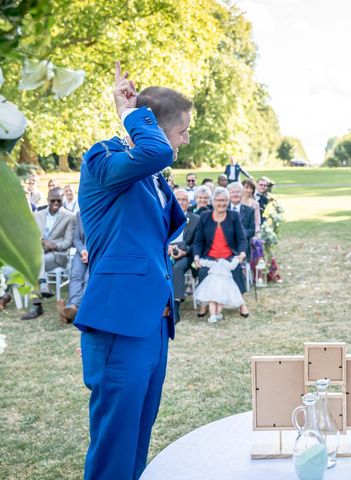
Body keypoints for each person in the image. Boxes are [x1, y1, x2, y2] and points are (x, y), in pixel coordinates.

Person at [75, 63, 191, 479]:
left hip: (154, 325)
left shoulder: (149, 174)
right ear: (154, 128)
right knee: (115, 441)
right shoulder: (103, 157)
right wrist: (129, 114)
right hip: (119, 324)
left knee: (140, 432)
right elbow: (157, 150)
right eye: (182, 130)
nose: (186, 139)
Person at [193, 187, 250, 318]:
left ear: (228, 201)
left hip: (229, 255)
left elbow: (241, 238)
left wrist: (241, 252)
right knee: (203, 272)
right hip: (210, 256)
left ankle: (241, 303)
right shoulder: (205, 217)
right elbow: (198, 241)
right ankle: (204, 304)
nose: (221, 204)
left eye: (224, 200)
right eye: (218, 200)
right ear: (213, 202)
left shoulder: (233, 216)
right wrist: (196, 256)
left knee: (234, 271)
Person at [22, 187, 76, 320]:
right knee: (35, 260)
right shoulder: (37, 215)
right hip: (40, 252)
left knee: (32, 263)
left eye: (59, 200)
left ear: (62, 199)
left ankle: (37, 305)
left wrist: (54, 245)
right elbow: (31, 237)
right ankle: (42, 286)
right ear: (47, 200)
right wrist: (40, 243)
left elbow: (68, 242)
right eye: (52, 200)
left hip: (58, 256)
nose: (55, 203)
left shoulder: (70, 217)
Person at [169, 188, 200, 322]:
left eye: (184, 200)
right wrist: (167, 248)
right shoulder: (166, 217)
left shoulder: (196, 219)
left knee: (176, 269)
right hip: (167, 253)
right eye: (178, 199)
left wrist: (185, 251)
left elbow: (198, 242)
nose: (181, 202)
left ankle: (175, 307)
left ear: (189, 202)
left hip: (186, 256)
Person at [57, 211, 88, 324]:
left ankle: (77, 310)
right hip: (81, 252)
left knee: (87, 279)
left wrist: (88, 251)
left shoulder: (102, 211)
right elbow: (76, 238)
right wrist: (83, 251)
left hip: (98, 252)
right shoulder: (80, 214)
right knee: (75, 275)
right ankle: (72, 307)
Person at [194, 257, 244, 323]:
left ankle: (213, 316)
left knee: (211, 300)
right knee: (221, 300)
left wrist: (199, 261)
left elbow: (207, 263)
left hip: (212, 282)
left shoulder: (215, 261)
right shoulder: (226, 262)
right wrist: (237, 259)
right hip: (224, 283)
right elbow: (232, 266)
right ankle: (217, 314)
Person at [228, 182, 256, 257]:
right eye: (233, 192)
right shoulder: (223, 209)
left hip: (243, 249)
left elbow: (252, 230)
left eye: (238, 192)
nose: (235, 194)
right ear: (228, 194)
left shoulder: (249, 211)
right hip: (225, 248)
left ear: (242, 194)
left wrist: (239, 233)